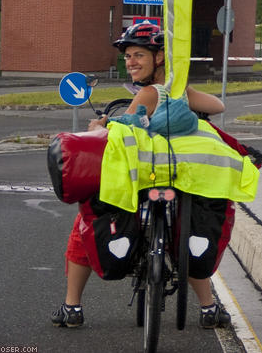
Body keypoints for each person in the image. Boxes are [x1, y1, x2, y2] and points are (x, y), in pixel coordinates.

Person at [52, 23, 234, 330]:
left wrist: (100, 127)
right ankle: (209, 307)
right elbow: (218, 106)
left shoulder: (150, 92)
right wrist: (184, 96)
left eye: (138, 55)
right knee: (183, 233)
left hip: (143, 178)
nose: (130, 61)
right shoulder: (177, 91)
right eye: (128, 56)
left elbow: (124, 127)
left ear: (160, 57)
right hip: (179, 178)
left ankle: (72, 307)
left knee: (86, 219)